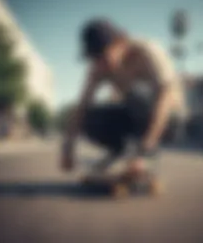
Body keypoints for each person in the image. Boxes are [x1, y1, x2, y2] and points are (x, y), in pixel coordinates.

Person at [61, 18, 186, 173]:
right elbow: (81, 107)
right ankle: (121, 151)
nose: (100, 64)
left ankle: (146, 153)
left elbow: (165, 98)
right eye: (94, 59)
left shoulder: (149, 51)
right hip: (135, 115)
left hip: (170, 118)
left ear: (120, 42)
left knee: (137, 93)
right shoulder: (98, 68)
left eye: (103, 57)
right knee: (90, 117)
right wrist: (68, 148)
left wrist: (145, 150)